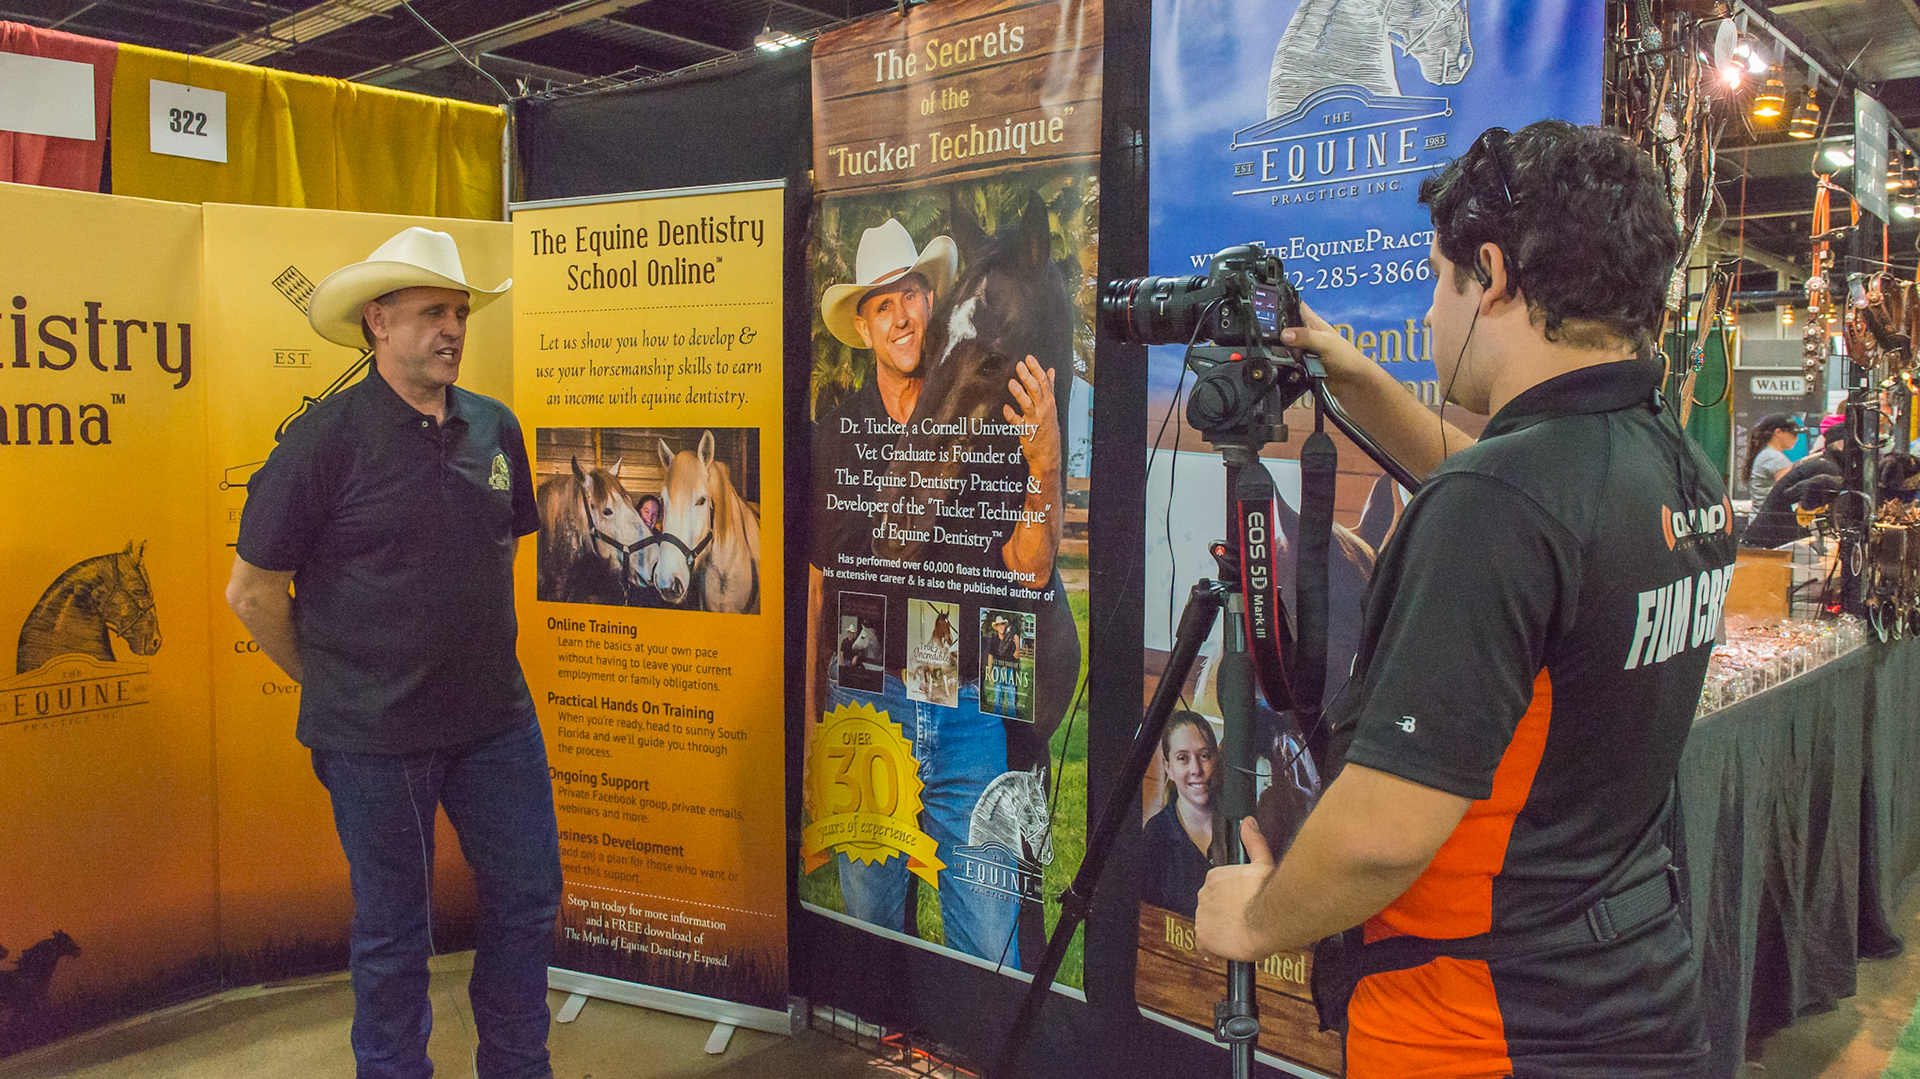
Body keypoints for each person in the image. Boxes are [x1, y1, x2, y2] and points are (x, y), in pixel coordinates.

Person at [1195, 121, 1733, 1077]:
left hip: (1478, 1024)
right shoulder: (1674, 468)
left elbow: (1381, 837)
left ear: (1493, 274)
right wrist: (1355, 375)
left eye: (1438, 279)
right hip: (1636, 994)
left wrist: (1258, 919)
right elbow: (1523, 504)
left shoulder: (1501, 506)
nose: (1431, 311)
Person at [226, 227, 561, 1079]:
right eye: (431, 313)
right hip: (375, 742)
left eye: (460, 313)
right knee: (394, 934)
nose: (452, 329)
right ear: (377, 321)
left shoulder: (496, 427)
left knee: (528, 899)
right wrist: (341, 687)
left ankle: (517, 1066)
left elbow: (498, 552)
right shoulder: (323, 441)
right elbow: (252, 592)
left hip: (496, 723)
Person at [805, 217, 1063, 966]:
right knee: (871, 931)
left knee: (987, 943)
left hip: (966, 709)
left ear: (932, 304)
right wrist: (812, 726)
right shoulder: (838, 434)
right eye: (882, 305)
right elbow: (819, 588)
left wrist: (1045, 465)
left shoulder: (986, 412)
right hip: (864, 702)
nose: (901, 317)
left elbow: (1030, 570)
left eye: (912, 296)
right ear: (863, 326)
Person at [1140, 712, 1223, 919]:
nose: (1196, 769)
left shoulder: (1240, 824)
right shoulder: (1155, 836)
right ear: (1168, 767)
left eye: (1204, 756)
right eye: (1183, 758)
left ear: (1216, 758)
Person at [1743, 426, 1848, 548]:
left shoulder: (1823, 464)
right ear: (1841, 445)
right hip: (1768, 545)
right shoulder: (1827, 468)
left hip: (1769, 539)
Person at [1745, 414, 1801, 502]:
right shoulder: (1774, 458)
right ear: (1778, 432)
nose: (1796, 438)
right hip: (1772, 510)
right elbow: (1790, 489)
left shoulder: (1767, 454)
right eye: (1793, 433)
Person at [982, 614, 1022, 716]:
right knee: (998, 697)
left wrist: (1017, 645)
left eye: (1002, 624)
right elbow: (990, 657)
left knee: (1011, 697)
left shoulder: (1010, 638)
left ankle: (1012, 719)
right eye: (998, 625)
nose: (1001, 627)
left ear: (1005, 625)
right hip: (998, 671)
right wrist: (990, 673)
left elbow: (1016, 657)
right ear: (996, 627)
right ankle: (997, 718)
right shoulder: (994, 639)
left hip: (1009, 671)